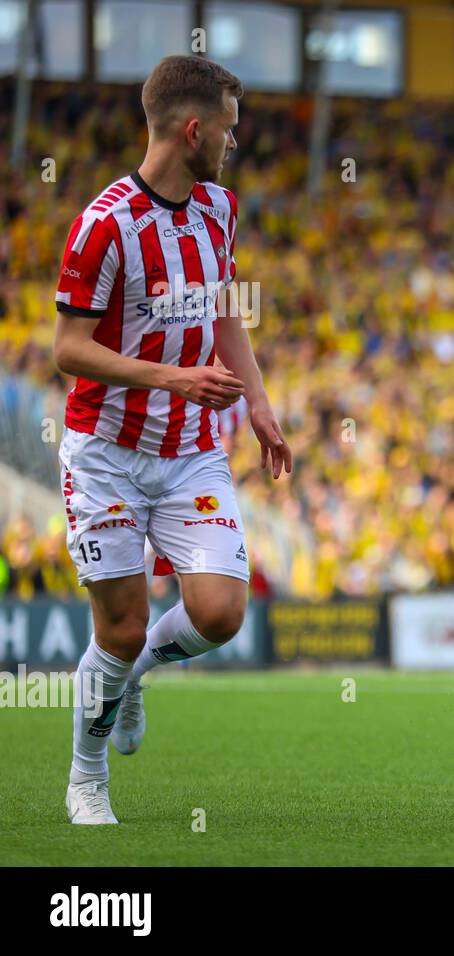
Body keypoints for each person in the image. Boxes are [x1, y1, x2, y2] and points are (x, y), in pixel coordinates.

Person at [52, 55, 291, 825]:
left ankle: (133, 677)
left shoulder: (219, 209)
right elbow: (68, 349)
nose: (233, 141)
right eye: (227, 127)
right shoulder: (104, 223)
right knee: (118, 628)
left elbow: (223, 314)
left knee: (221, 611)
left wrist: (257, 402)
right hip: (106, 455)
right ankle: (86, 779)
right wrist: (173, 378)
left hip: (190, 450)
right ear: (194, 129)